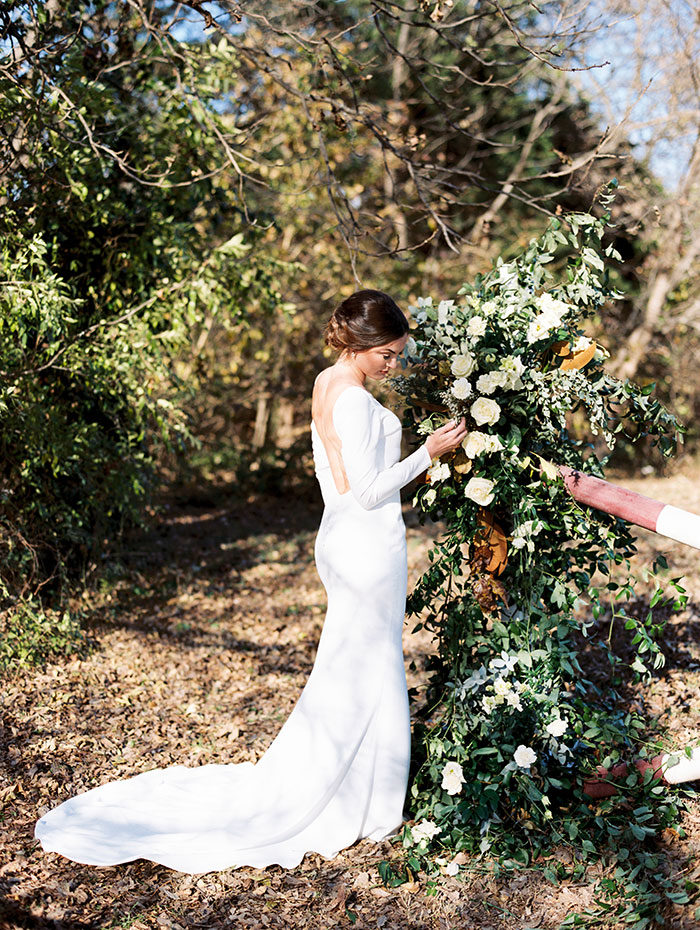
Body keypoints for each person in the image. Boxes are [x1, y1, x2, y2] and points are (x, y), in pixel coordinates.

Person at [34, 289, 467, 874]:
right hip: (367, 543)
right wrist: (431, 451)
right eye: (388, 354)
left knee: (351, 664)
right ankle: (364, 800)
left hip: (338, 536)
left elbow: (337, 482)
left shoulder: (325, 382)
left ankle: (359, 782)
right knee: (369, 663)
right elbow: (368, 489)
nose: (394, 364)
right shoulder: (358, 403)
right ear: (363, 346)